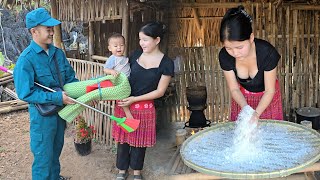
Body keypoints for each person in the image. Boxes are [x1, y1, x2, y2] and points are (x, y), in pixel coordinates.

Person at [13, 8, 78, 180]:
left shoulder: (58, 53)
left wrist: (85, 95)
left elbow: (71, 79)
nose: (52, 32)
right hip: (42, 118)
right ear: (34, 31)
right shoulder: (26, 60)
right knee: (43, 158)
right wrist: (56, 97)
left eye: (52, 28)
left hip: (60, 114)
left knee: (55, 152)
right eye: (47, 29)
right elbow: (25, 93)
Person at [112, 21, 174, 180]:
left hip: (144, 106)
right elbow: (122, 76)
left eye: (145, 40)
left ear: (157, 40)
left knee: (140, 142)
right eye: (140, 39)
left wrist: (135, 99)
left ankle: (137, 172)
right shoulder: (134, 55)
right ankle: (121, 170)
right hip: (125, 104)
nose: (141, 43)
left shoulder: (166, 63)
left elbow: (160, 91)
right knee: (124, 140)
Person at [218, 5, 283, 123]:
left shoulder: (267, 53)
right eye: (229, 48)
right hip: (242, 100)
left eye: (239, 47)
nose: (235, 53)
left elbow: (269, 90)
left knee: (270, 136)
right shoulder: (225, 56)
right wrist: (246, 109)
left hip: (267, 99)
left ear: (251, 37)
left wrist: (256, 114)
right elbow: (234, 89)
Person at [103, 33, 132, 119]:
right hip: (120, 82)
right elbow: (105, 69)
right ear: (110, 48)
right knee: (123, 97)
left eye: (121, 45)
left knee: (126, 96)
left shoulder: (124, 57)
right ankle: (128, 114)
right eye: (115, 46)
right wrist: (111, 71)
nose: (119, 48)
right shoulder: (113, 58)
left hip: (127, 81)